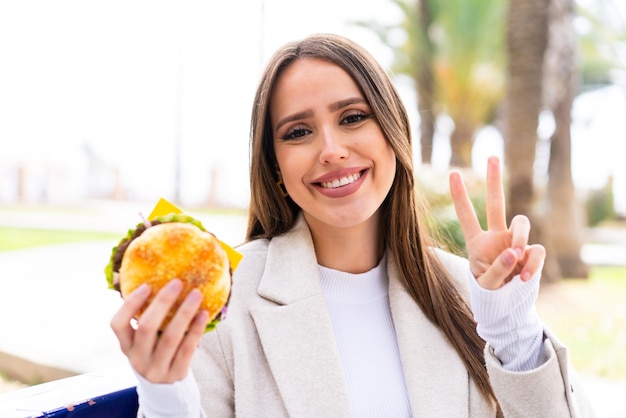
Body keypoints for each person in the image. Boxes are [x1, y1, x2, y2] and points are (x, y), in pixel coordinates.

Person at [111, 33, 593, 417]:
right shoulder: (225, 298)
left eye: (353, 117)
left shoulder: (471, 295)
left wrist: (515, 334)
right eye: (298, 132)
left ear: (393, 133)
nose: (331, 149)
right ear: (275, 168)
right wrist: (164, 393)